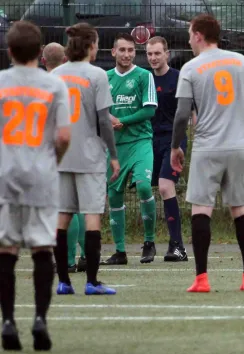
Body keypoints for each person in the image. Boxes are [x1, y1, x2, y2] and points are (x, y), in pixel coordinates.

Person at [170, 14, 244, 293]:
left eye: (190, 34)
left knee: (202, 210)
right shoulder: (241, 62)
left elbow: (180, 115)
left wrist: (175, 147)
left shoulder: (190, 68)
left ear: (199, 35)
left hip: (207, 148)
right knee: (241, 209)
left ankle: (202, 279)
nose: (189, 40)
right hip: (238, 147)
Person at [0, 20, 71, 351]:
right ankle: (40, 319)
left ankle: (8, 322)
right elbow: (63, 135)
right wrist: (51, 160)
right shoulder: (54, 85)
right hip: (41, 174)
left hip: (6, 174)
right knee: (43, 246)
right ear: (40, 52)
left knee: (6, 249)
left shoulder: (0, 83)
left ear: (10, 51)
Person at [52, 22, 120, 295]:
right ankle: (92, 282)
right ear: (91, 46)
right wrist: (113, 155)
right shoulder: (98, 75)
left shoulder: (55, 75)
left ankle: (63, 282)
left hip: (61, 156)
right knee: (92, 216)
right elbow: (104, 120)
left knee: (62, 217)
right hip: (90, 157)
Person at [102, 33, 158, 265]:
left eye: (131, 50)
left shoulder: (144, 76)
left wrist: (123, 121)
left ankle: (149, 242)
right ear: (113, 52)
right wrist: (107, 116)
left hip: (140, 141)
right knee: (114, 195)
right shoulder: (104, 78)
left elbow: (150, 110)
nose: (126, 54)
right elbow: (97, 108)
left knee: (144, 187)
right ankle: (120, 251)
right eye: (122, 50)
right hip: (114, 146)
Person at [42, 43, 88, 274]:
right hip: (82, 145)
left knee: (63, 205)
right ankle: (85, 255)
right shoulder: (79, 80)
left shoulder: (46, 84)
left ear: (43, 61)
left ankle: (68, 259)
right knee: (79, 205)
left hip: (58, 145)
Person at [146, 36, 188, 262]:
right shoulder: (144, 79)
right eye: (150, 54)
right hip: (147, 141)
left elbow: (191, 112)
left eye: (157, 53)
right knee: (143, 188)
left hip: (173, 141)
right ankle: (147, 244)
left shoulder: (179, 79)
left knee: (164, 186)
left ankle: (177, 246)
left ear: (167, 54)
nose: (153, 58)